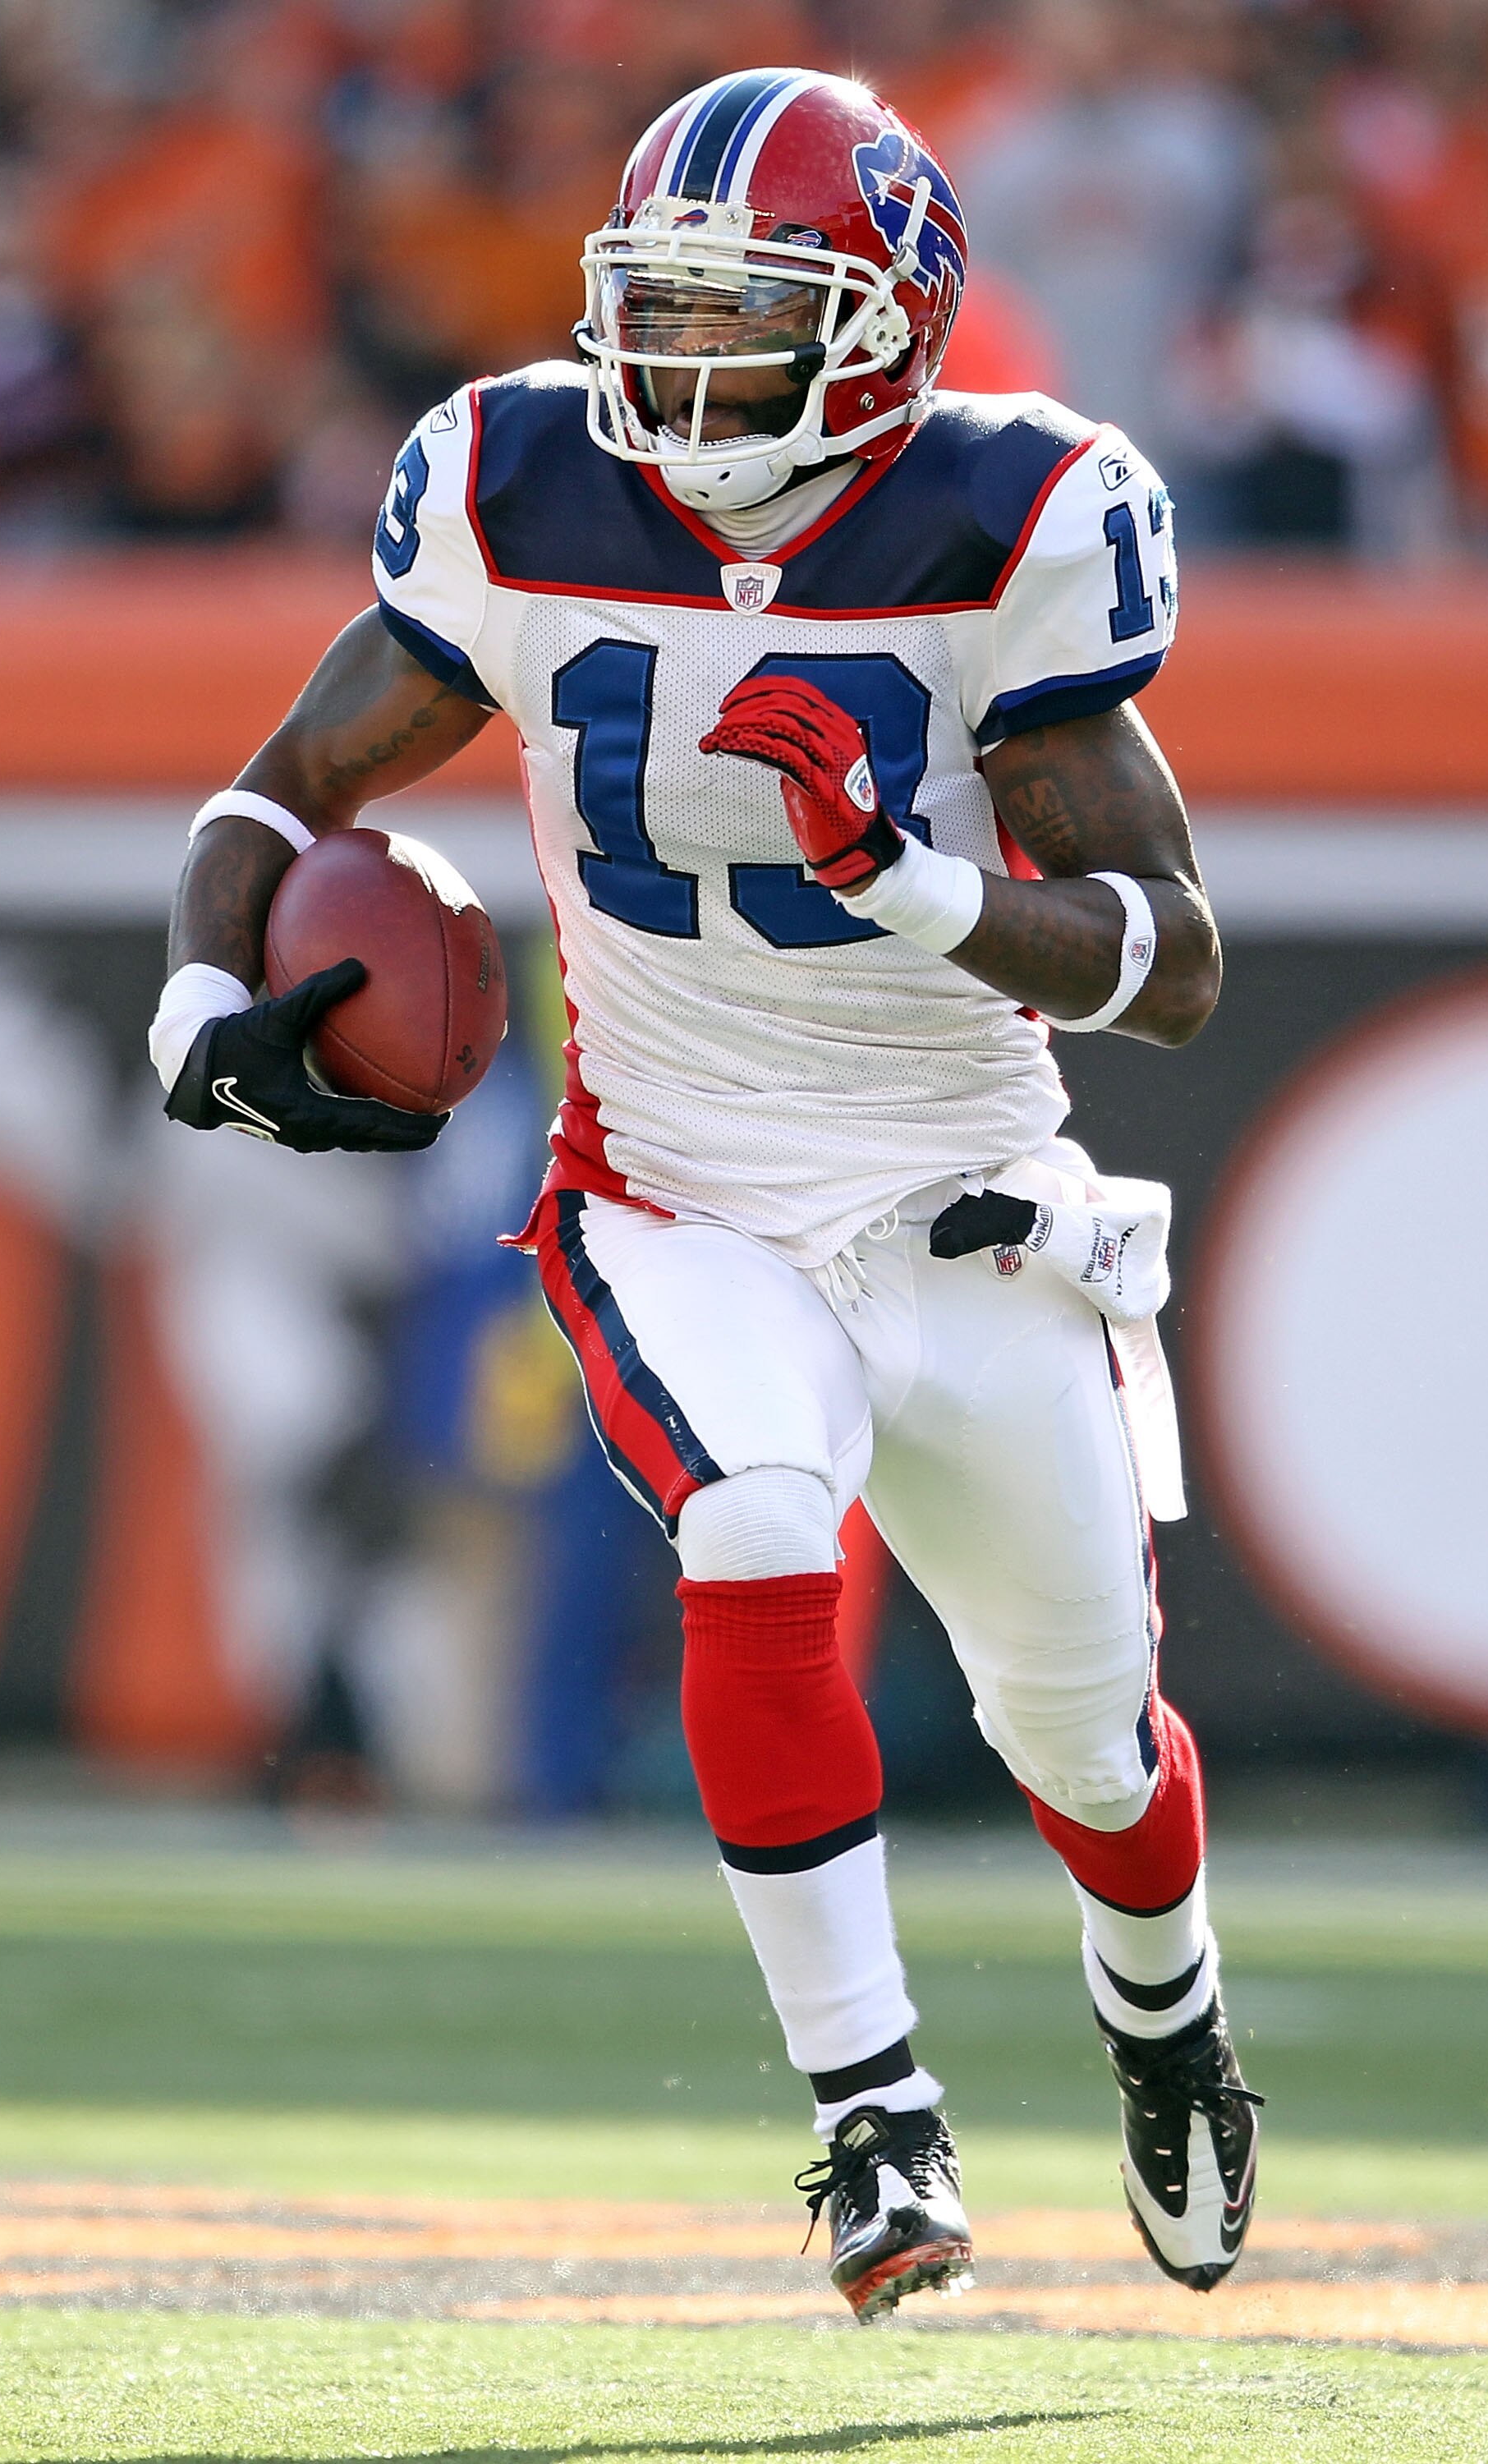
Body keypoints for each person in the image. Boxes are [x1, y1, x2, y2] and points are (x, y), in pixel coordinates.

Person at [147, 67, 1256, 2323]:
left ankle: (1165, 2016)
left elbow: (1173, 961)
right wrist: (192, 1006)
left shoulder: (1005, 514)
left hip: (964, 1193)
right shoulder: (515, 476)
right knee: (755, 1525)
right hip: (675, 1183)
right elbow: (281, 794)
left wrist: (906, 878)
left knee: (1085, 1745)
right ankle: (871, 2120)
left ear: (883, 330)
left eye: (741, 316)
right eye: (652, 305)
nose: (676, 363)